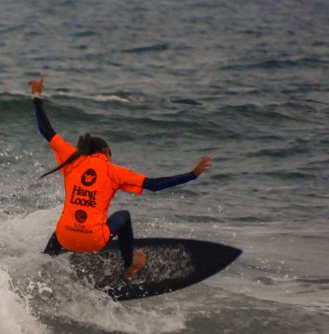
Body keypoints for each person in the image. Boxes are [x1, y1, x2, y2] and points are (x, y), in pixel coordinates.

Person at [29, 76, 212, 278]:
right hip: (94, 241)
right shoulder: (114, 171)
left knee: (62, 228)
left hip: (66, 237)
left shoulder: (72, 159)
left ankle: (41, 267)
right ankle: (129, 267)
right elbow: (154, 185)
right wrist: (192, 175)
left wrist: (37, 95)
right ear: (106, 151)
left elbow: (45, 130)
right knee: (124, 217)